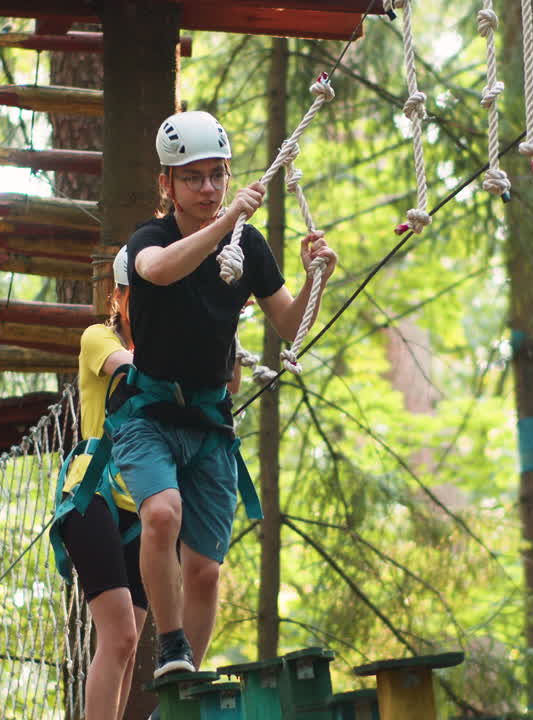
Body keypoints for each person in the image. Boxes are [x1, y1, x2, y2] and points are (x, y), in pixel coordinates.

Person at [108, 110, 338, 678]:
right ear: (168, 185)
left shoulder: (248, 245)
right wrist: (225, 222)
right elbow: (158, 271)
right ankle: (171, 645)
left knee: (206, 570)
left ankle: (185, 683)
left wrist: (316, 279)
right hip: (148, 416)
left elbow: (288, 324)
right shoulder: (151, 238)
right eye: (194, 177)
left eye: (218, 175)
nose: (209, 189)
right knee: (162, 514)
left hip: (211, 422)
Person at [49, 248, 146, 720]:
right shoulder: (98, 338)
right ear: (119, 296)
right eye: (141, 296)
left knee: (128, 648)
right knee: (120, 636)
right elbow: (128, 369)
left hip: (144, 507)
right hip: (94, 492)